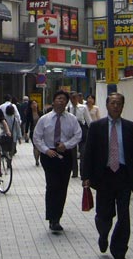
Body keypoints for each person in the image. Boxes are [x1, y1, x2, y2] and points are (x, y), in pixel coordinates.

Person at [81, 92, 133, 259]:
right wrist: (86, 176)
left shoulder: (131, 128)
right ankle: (103, 234)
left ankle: (119, 251)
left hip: (124, 175)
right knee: (103, 215)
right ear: (107, 105)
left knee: (124, 216)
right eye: (112, 103)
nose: (115, 106)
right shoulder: (96, 127)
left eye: (119, 103)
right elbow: (89, 153)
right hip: (104, 176)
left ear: (123, 106)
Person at [31, 90, 81, 233]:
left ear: (67, 102)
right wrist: (46, 150)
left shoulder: (71, 119)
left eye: (64, 99)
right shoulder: (45, 119)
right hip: (49, 155)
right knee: (52, 185)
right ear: (53, 101)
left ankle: (57, 217)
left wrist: (67, 145)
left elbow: (78, 135)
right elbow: (37, 137)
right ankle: (52, 218)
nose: (61, 101)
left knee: (62, 187)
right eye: (58, 99)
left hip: (65, 154)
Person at [67, 92, 92, 178]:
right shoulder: (68, 108)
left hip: (82, 130)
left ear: (77, 98)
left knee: (83, 152)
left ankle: (83, 172)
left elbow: (89, 121)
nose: (72, 100)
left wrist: (91, 132)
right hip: (72, 132)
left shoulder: (83, 107)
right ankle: (74, 171)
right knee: (72, 153)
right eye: (71, 98)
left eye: (74, 97)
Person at [27, 99, 42, 166]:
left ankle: (40, 157)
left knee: (40, 146)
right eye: (33, 104)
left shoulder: (40, 113)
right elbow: (27, 124)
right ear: (30, 106)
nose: (34, 105)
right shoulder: (29, 114)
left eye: (35, 103)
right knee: (35, 146)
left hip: (41, 132)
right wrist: (25, 133)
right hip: (33, 132)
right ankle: (36, 160)